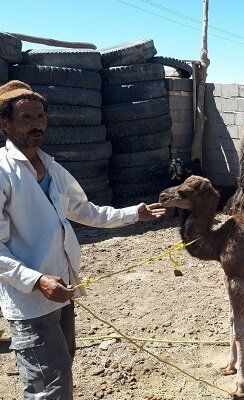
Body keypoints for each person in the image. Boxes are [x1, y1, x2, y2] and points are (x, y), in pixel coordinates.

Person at [0, 80, 167, 399]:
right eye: (26, 118)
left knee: (60, 370)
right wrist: (37, 281)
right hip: (31, 302)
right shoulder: (3, 172)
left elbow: (86, 211)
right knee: (47, 387)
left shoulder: (50, 166)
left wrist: (134, 213)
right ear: (4, 123)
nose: (37, 125)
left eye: (40, 117)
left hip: (61, 292)